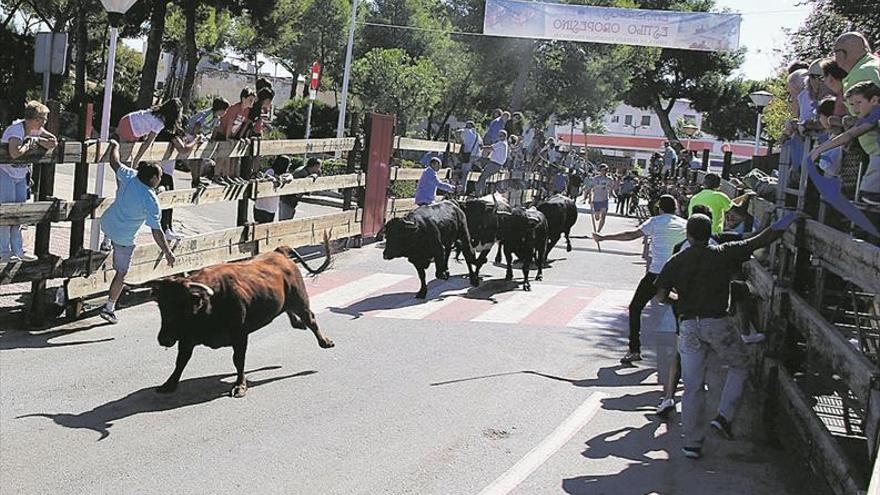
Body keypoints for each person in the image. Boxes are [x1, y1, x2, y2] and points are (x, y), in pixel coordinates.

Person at [655, 211, 800, 459]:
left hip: (689, 325)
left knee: (691, 386)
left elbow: (661, 295)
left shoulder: (677, 261)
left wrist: (679, 301)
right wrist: (788, 219)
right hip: (717, 323)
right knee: (740, 365)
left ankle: (692, 443)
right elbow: (761, 240)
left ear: (688, 235)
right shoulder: (723, 253)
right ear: (709, 233)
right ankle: (723, 416)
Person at [594, 195, 687, 364]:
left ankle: (634, 349)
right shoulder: (684, 224)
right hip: (679, 274)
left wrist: (604, 238)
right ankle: (684, 352)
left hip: (656, 273)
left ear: (659, 208)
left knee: (635, 307)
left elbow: (631, 235)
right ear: (676, 208)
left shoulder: (655, 221)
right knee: (679, 311)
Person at [98, 140, 176, 324]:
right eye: (160, 176)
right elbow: (157, 232)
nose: (161, 178)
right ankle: (109, 308)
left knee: (112, 225)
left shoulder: (130, 175)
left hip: (107, 223)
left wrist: (115, 146)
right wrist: (168, 252)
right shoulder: (151, 202)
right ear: (153, 180)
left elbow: (114, 162)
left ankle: (105, 242)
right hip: (124, 237)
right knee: (121, 272)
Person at [0, 100, 58, 262]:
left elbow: (53, 142)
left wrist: (38, 140)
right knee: (6, 212)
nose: (44, 122)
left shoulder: (35, 130)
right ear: (33, 118)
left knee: (20, 213)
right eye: (42, 118)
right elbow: (14, 153)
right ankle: (3, 251)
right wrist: (28, 144)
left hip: (20, 175)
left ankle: (18, 249)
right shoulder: (16, 129)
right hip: (6, 173)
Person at [809, 81, 880, 204]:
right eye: (852, 104)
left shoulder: (876, 113)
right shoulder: (870, 116)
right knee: (867, 195)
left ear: (874, 100)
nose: (855, 109)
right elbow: (848, 134)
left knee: (868, 195)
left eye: (859, 103)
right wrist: (819, 149)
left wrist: (819, 150)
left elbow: (850, 134)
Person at [116, 98, 191, 168]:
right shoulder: (159, 123)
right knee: (125, 160)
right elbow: (147, 142)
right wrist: (137, 160)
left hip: (128, 120)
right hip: (129, 127)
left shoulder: (155, 113)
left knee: (127, 160)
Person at [213, 87, 257, 184]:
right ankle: (217, 175)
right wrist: (227, 137)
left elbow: (241, 125)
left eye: (253, 100)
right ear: (243, 99)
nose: (252, 102)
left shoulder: (246, 111)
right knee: (223, 156)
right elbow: (229, 123)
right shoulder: (234, 108)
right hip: (223, 133)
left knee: (232, 156)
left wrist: (240, 137)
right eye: (250, 100)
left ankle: (228, 175)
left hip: (232, 134)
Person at [688, 173, 755, 234]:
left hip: (694, 234)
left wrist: (742, 197)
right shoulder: (719, 196)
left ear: (703, 184)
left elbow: (729, 203)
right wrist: (747, 197)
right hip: (712, 235)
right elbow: (740, 213)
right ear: (719, 186)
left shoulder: (694, 198)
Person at [185, 97, 230, 188]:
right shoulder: (209, 115)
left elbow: (215, 129)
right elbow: (198, 124)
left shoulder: (216, 118)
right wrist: (195, 137)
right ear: (220, 110)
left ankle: (197, 179)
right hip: (191, 134)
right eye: (225, 110)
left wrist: (212, 138)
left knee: (200, 158)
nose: (225, 113)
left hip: (200, 136)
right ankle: (195, 180)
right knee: (195, 158)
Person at [253, 156, 292, 224]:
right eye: (288, 165)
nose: (289, 166)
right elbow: (267, 180)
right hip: (262, 206)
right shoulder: (271, 171)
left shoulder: (283, 175)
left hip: (271, 208)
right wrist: (275, 180)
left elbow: (290, 177)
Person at [475, 129, 509, 196]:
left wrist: (481, 147)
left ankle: (478, 194)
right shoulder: (505, 144)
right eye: (499, 135)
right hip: (497, 165)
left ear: (505, 136)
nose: (499, 137)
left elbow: (490, 148)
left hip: (494, 164)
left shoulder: (501, 143)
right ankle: (481, 193)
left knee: (482, 177)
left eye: (500, 136)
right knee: (484, 177)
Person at [584, 164, 613, 232]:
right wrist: (587, 197)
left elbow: (611, 188)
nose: (604, 171)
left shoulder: (609, 179)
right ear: (600, 170)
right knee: (597, 217)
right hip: (596, 200)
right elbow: (589, 188)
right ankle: (597, 215)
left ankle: (598, 231)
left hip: (604, 200)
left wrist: (612, 194)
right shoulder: (595, 179)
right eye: (602, 170)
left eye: (605, 170)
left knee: (603, 217)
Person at [456, 121, 481, 193]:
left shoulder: (466, 131)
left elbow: (457, 132)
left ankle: (461, 190)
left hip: (468, 155)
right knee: (466, 173)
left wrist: (460, 141)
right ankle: (463, 189)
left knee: (464, 173)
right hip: (475, 155)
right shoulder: (476, 134)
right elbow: (481, 143)